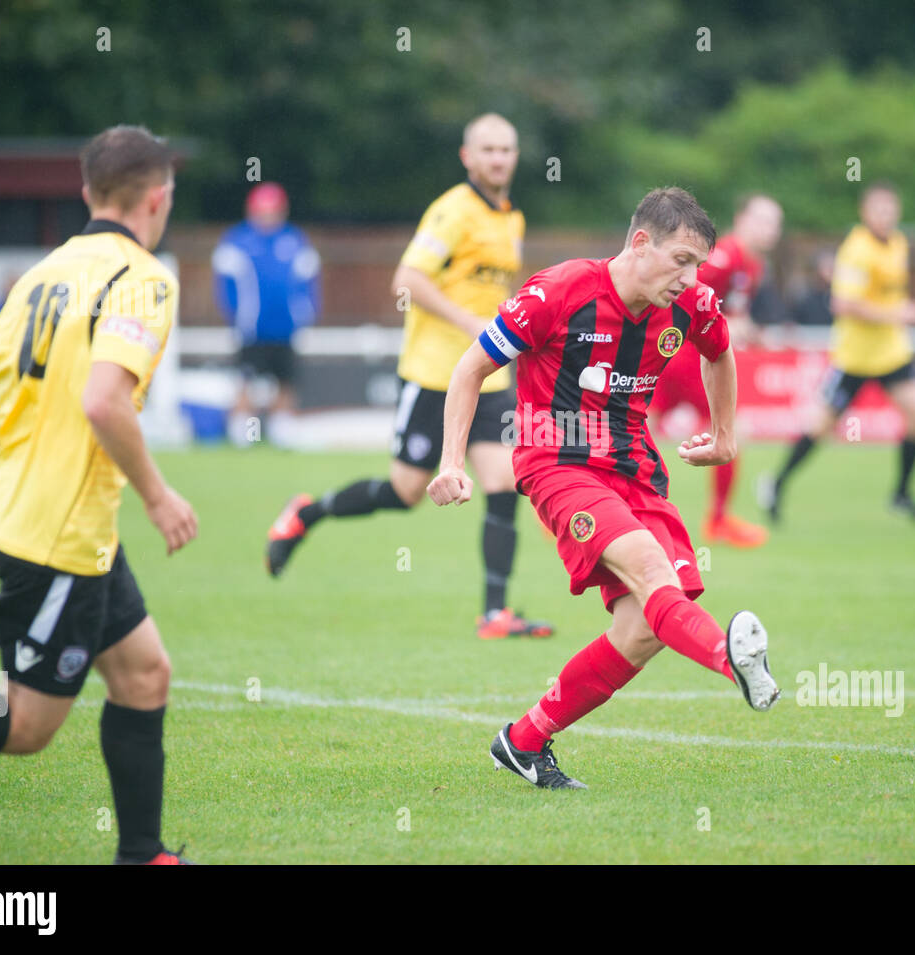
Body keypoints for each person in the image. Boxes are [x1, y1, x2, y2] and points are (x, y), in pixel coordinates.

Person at [0, 126, 199, 863]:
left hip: (41, 519)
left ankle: (142, 853)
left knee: (144, 672)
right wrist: (159, 497)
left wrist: (39, 480)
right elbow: (106, 400)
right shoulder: (142, 277)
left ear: (86, 193)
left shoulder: (42, 273)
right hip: (58, 538)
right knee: (28, 723)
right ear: (158, 198)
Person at [428, 187, 780, 789]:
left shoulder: (690, 304)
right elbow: (471, 367)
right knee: (650, 570)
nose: (691, 278)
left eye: (698, 264)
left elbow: (719, 356)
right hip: (557, 463)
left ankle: (524, 740)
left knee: (644, 628)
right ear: (641, 243)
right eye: (681, 261)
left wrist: (725, 434)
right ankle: (731, 658)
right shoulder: (559, 291)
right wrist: (452, 462)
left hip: (635, 468)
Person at [265, 113, 552, 639]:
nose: (497, 158)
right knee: (405, 492)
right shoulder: (451, 212)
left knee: (503, 482)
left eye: (506, 150)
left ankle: (495, 613)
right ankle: (307, 512)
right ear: (467, 156)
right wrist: (470, 323)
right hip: (433, 375)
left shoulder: (512, 219)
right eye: (487, 149)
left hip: (488, 376)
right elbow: (408, 279)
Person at [760, 182, 915, 524]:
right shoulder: (856, 250)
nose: (885, 215)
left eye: (890, 209)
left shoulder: (898, 243)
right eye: (878, 209)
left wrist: (896, 313)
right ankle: (776, 484)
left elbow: (886, 294)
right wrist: (897, 313)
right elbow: (843, 304)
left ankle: (901, 494)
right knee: (819, 427)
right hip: (854, 358)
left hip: (892, 353)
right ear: (864, 212)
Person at [651, 194, 782, 548]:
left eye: (775, 223)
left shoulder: (754, 266)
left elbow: (728, 312)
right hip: (682, 355)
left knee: (634, 426)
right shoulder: (724, 255)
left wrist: (751, 332)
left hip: (691, 356)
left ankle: (719, 519)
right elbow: (685, 290)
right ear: (741, 219)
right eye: (762, 220)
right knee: (724, 431)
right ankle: (718, 519)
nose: (770, 230)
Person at [212, 182, 321, 447]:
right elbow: (225, 287)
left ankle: (282, 430)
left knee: (285, 380)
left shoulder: (295, 241)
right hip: (252, 330)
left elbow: (310, 282)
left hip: (286, 329)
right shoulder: (237, 241)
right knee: (246, 380)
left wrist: (306, 314)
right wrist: (236, 316)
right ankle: (241, 432)